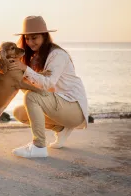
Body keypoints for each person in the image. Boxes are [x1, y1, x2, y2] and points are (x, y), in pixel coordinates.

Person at [9, 16, 88, 158]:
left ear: (44, 37)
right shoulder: (36, 57)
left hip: (74, 107)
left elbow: (47, 83)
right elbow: (32, 85)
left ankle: (38, 146)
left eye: (34, 38)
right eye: (27, 38)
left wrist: (25, 69)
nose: (30, 42)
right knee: (19, 112)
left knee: (31, 97)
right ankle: (62, 129)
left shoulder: (57, 54)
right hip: (60, 106)